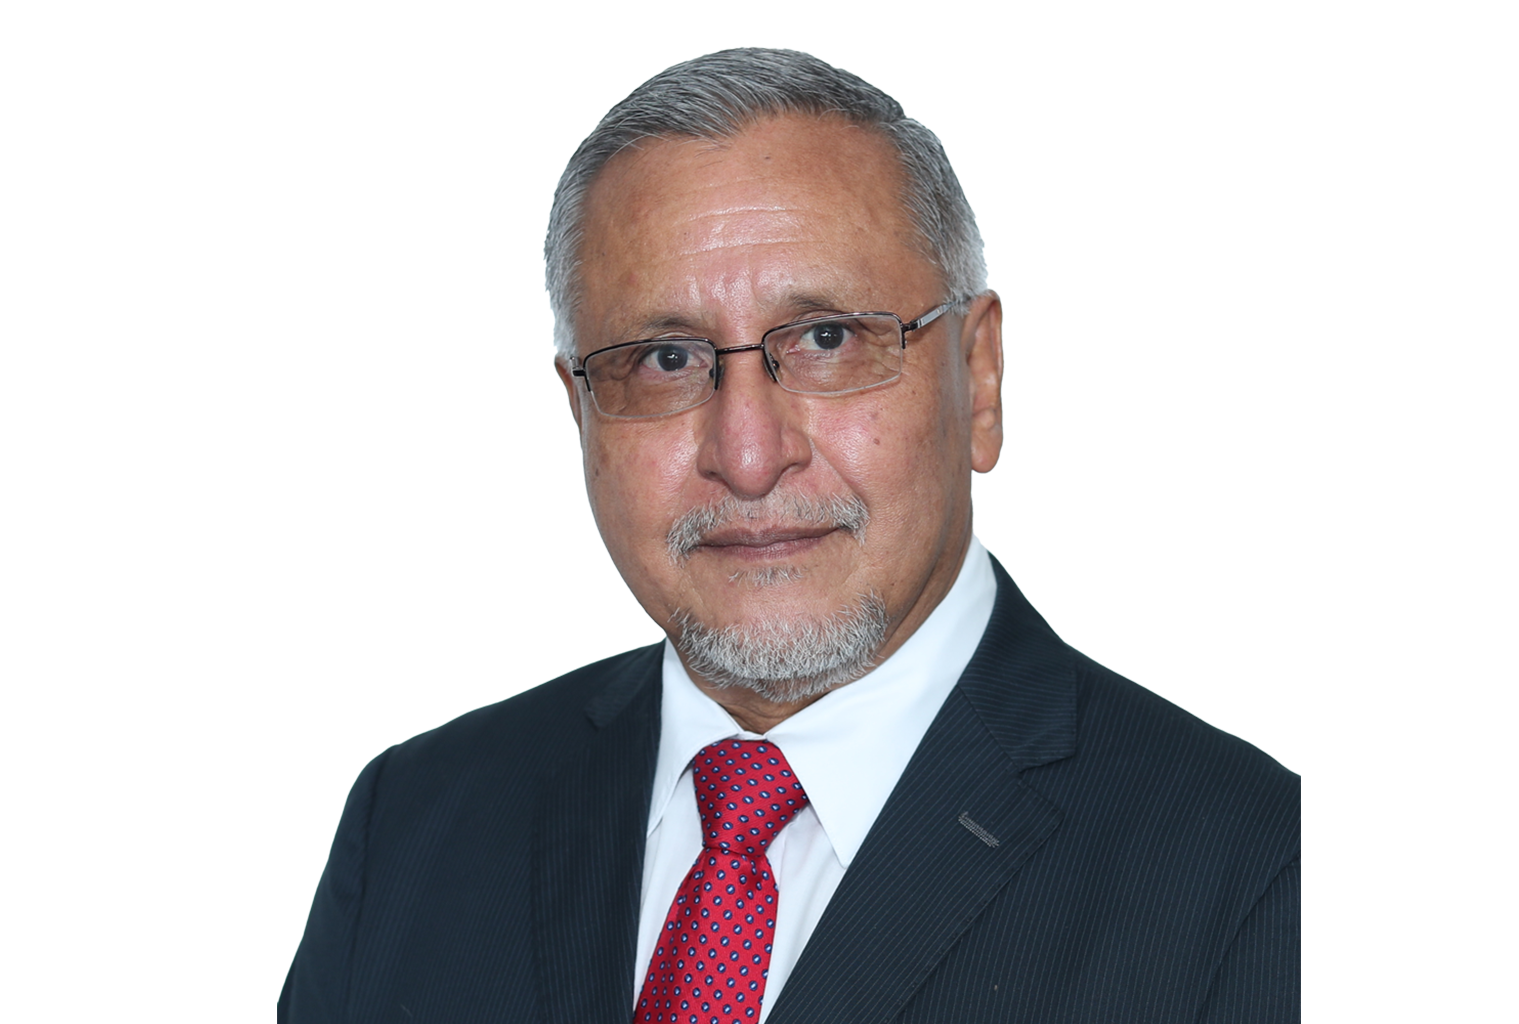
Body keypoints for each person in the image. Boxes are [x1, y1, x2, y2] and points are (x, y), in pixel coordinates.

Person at [279, 47, 1298, 1024]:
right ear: (580, 413)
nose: (749, 454)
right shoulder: (413, 827)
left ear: (979, 381)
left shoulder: (1262, 879)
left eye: (827, 338)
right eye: (665, 359)